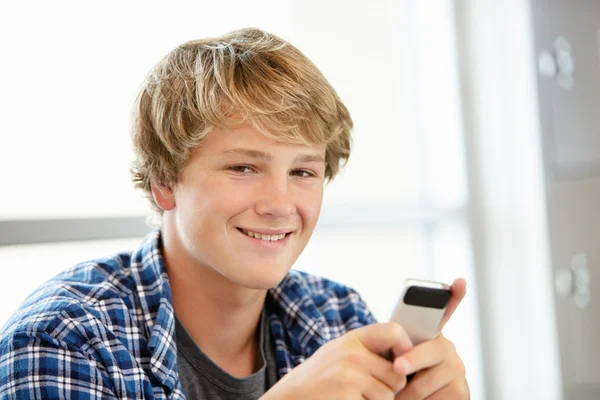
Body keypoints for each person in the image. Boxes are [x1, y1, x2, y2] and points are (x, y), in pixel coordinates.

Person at [0, 28, 469, 399]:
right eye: (243, 167)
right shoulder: (63, 341)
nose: (281, 204)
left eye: (303, 172)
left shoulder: (334, 317)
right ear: (165, 181)